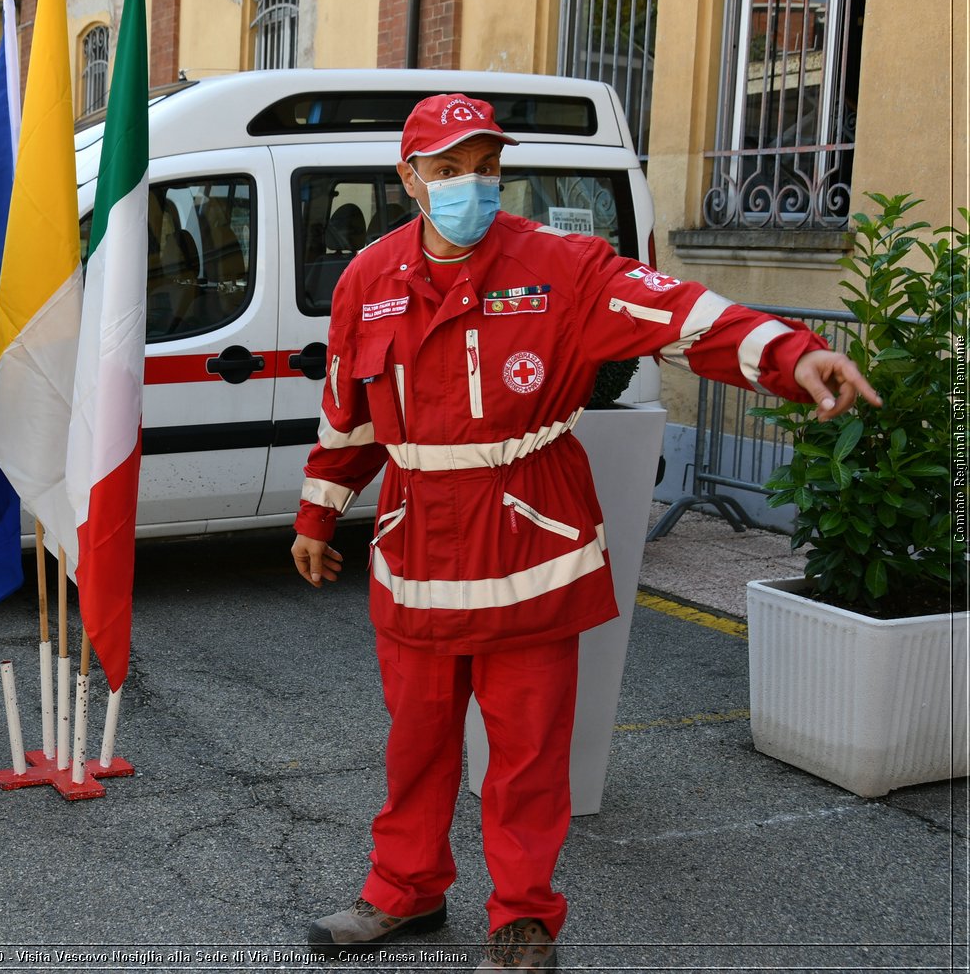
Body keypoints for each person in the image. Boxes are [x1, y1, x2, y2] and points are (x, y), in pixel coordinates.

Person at [291, 94, 879, 969]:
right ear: (409, 179)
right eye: (450, 169)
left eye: (487, 168)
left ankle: (523, 916)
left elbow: (682, 315)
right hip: (417, 551)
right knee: (415, 741)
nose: (473, 186)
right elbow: (348, 413)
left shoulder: (562, 266)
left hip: (529, 545)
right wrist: (317, 512)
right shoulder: (367, 282)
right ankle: (403, 890)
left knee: (527, 754)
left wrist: (793, 354)